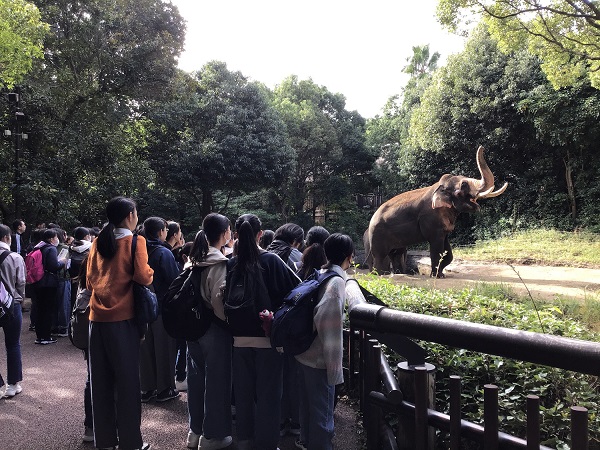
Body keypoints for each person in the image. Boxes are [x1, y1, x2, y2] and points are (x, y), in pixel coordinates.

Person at [227, 214, 300, 450]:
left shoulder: (231, 264)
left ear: (236, 235)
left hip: (238, 340)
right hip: (268, 339)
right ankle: (267, 444)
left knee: (244, 395)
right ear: (260, 234)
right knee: (269, 396)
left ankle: (245, 442)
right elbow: (297, 292)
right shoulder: (272, 261)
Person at [86, 196, 154, 450]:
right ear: (129, 215)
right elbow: (143, 276)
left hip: (96, 319)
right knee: (127, 383)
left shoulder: (97, 242)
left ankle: (104, 441)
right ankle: (130, 442)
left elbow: (90, 279)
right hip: (123, 320)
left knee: (100, 382)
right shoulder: (136, 241)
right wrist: (151, 272)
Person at [294, 233, 354, 450]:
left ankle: (306, 442)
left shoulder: (319, 273)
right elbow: (329, 327)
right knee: (322, 413)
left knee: (308, 408)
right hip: (318, 359)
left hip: (304, 353)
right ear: (350, 256)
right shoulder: (337, 283)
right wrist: (335, 371)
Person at [185, 214, 233, 450]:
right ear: (224, 233)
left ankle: (195, 432)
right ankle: (213, 436)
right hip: (213, 328)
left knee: (196, 380)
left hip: (191, 327)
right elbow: (218, 300)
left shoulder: (193, 260)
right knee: (216, 382)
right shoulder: (219, 263)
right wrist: (227, 322)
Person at [139, 216, 180, 403]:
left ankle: (147, 388)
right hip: (161, 306)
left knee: (145, 349)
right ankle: (165, 389)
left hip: (140, 307)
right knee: (164, 348)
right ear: (160, 232)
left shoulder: (137, 250)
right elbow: (174, 280)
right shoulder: (163, 253)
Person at [0, 224, 26, 398]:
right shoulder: (15, 257)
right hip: (11, 306)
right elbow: (21, 283)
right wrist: (20, 299)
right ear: (7, 238)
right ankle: (12, 385)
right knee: (13, 344)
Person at [32, 228, 67, 344]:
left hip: (38, 281)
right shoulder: (51, 249)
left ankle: (40, 336)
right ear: (52, 239)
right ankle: (46, 336)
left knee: (40, 309)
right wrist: (62, 262)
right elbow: (53, 266)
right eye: (56, 237)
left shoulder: (38, 247)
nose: (57, 239)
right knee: (47, 310)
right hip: (48, 283)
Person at [73, 254, 94, 442]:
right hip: (102, 332)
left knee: (92, 379)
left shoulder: (82, 282)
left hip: (87, 336)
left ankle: (90, 426)